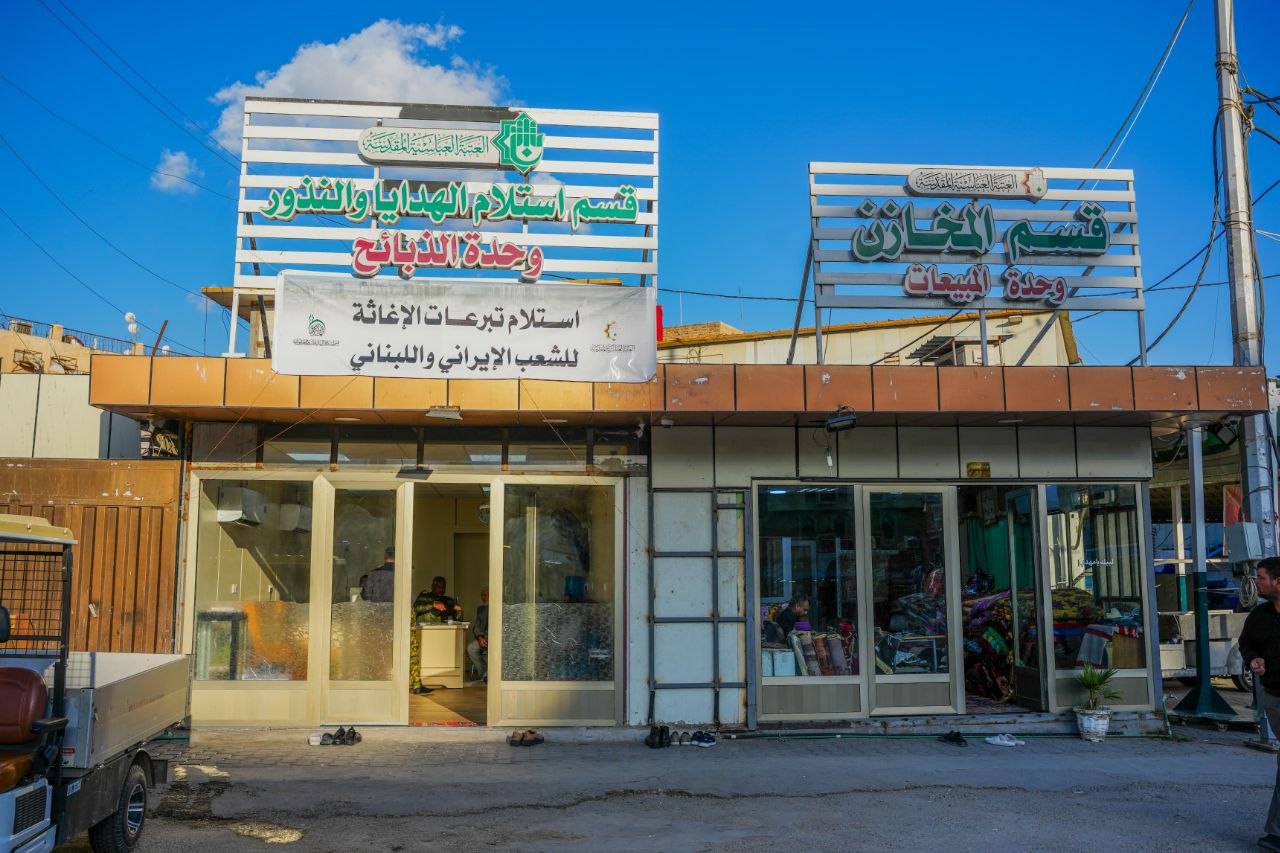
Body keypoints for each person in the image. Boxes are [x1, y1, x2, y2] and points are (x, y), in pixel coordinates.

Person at [1241, 557, 1280, 852]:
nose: (1256, 582)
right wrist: (1253, 658)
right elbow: (1246, 642)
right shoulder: (1261, 615)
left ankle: (1276, 834)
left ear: (1278, 582)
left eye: (1262, 578)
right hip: (1275, 697)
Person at [467, 587, 489, 683]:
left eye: (485, 595)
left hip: (496, 639)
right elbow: (476, 626)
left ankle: (490, 674)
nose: (483, 598)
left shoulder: (500, 607)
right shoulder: (480, 609)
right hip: (483, 638)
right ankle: (484, 673)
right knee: (471, 648)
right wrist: (480, 638)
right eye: (482, 595)